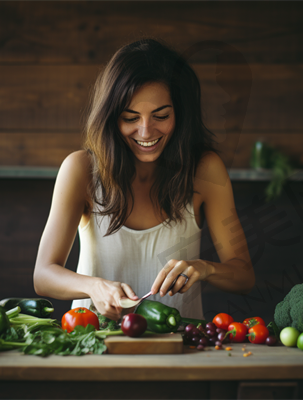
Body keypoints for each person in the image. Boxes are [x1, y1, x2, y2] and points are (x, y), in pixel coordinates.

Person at [33, 38, 255, 322]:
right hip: (92, 345)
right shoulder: (81, 169)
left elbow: (244, 276)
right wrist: (94, 286)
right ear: (111, 118)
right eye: (130, 117)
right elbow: (43, 275)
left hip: (179, 350)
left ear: (180, 113)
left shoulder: (206, 170)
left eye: (161, 115)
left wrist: (204, 269)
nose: (146, 131)